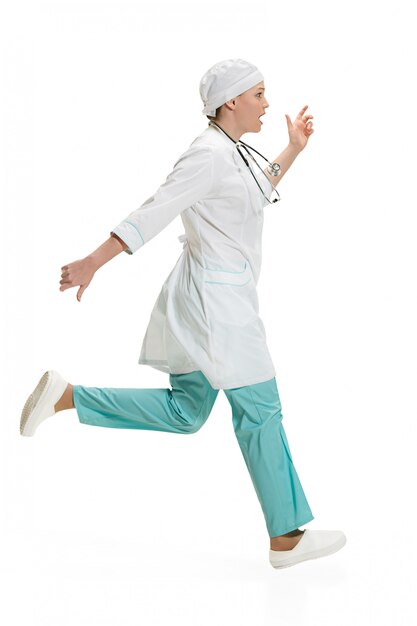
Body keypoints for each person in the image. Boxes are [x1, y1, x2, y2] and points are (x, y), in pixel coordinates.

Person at [20, 58, 346, 569]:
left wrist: (293, 151)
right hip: (218, 308)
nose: (266, 103)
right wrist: (92, 262)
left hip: (211, 300)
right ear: (232, 101)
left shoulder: (229, 151)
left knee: (186, 413)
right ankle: (286, 537)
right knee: (260, 409)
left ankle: (65, 397)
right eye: (259, 94)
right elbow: (155, 209)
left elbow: (255, 193)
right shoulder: (206, 156)